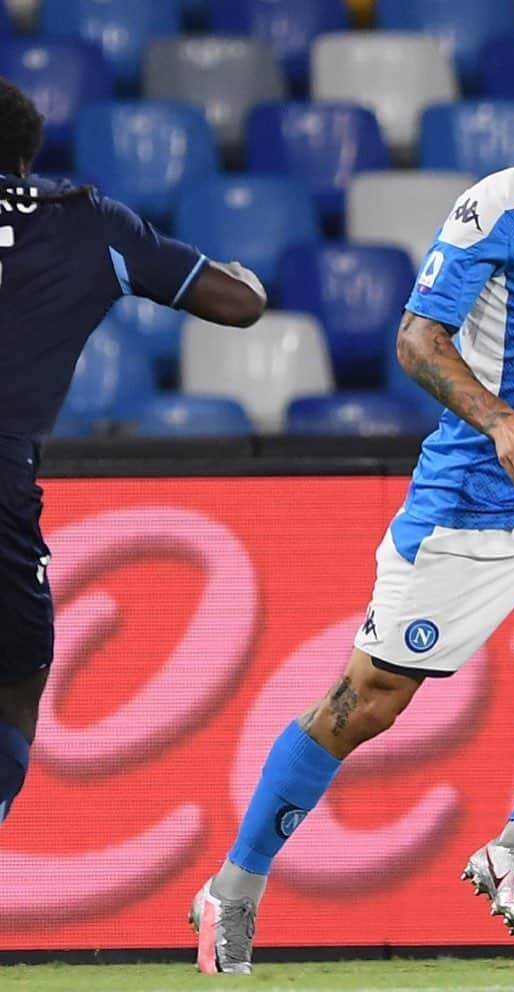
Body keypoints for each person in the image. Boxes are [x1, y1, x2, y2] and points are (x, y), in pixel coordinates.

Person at [192, 16, 514, 974]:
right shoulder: (495, 208)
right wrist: (499, 419)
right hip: (470, 505)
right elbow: (418, 340)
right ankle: (233, 890)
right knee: (365, 705)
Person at [0, 78, 267, 827]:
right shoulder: (87, 223)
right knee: (18, 675)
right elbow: (237, 304)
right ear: (25, 159)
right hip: (3, 478)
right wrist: (245, 274)